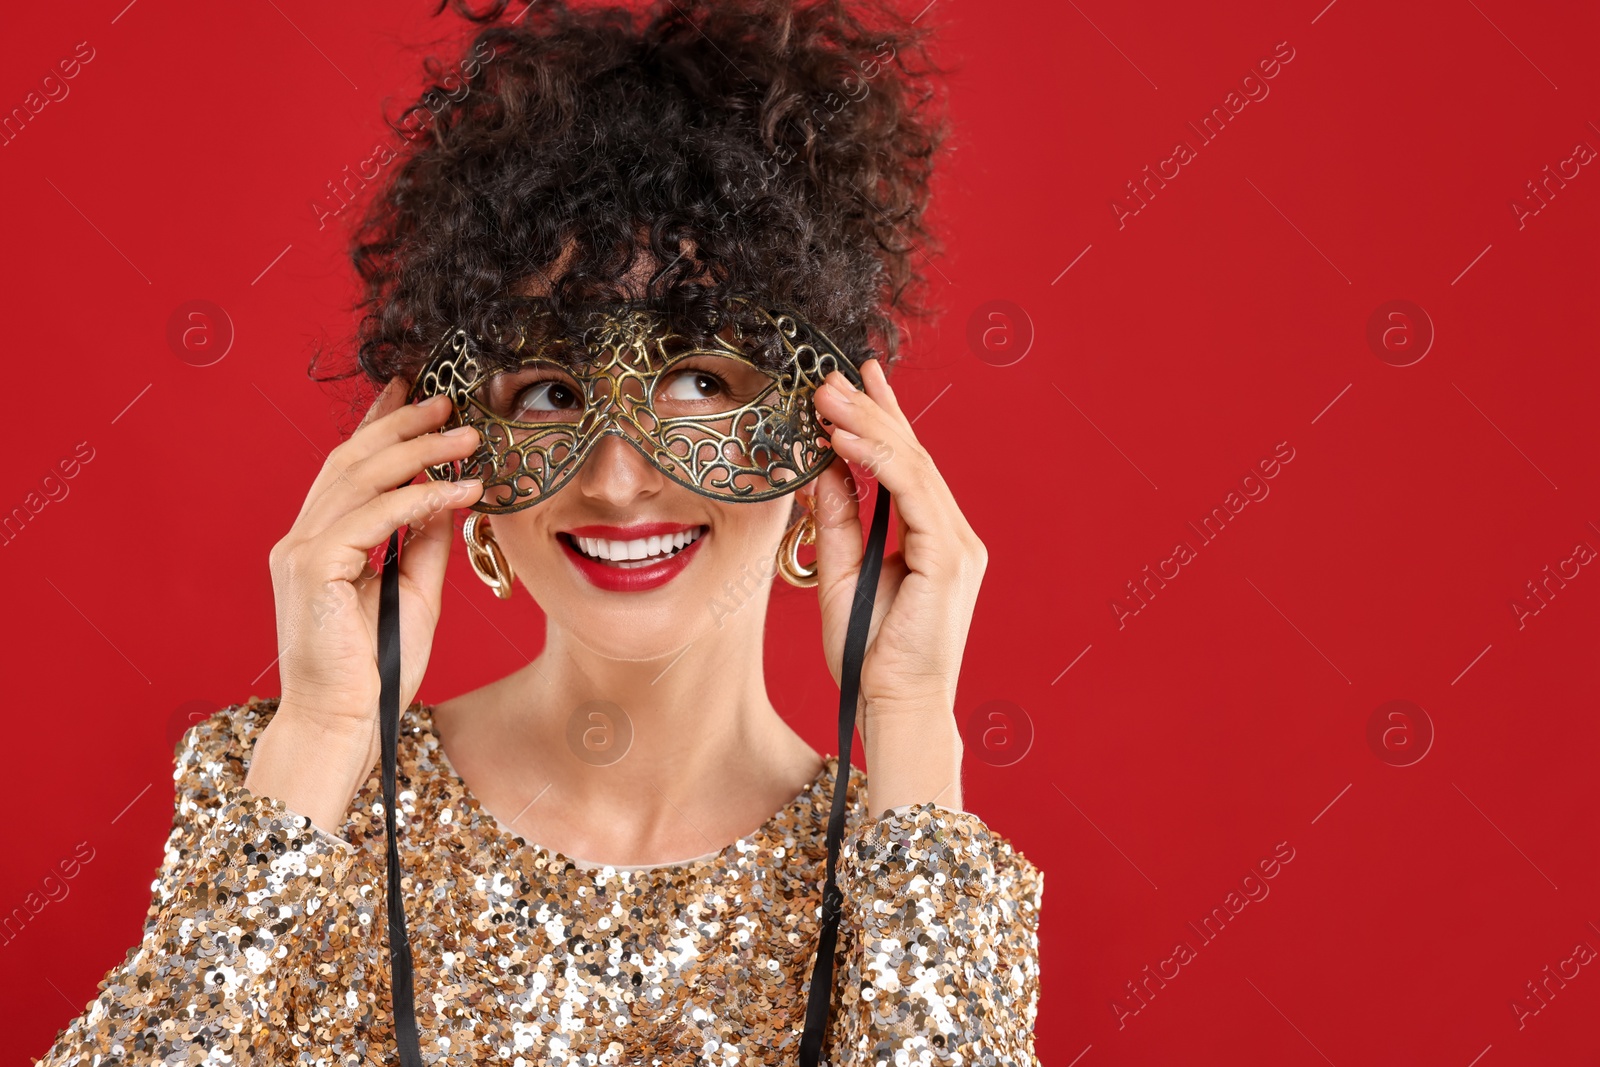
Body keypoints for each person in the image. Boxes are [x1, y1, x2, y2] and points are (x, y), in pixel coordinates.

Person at [35, 0, 1043, 1063]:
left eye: (699, 380)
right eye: (553, 390)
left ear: (824, 432)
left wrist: (909, 726)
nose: (617, 480)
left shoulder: (906, 869)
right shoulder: (300, 800)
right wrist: (324, 732)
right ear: (454, 441)